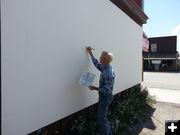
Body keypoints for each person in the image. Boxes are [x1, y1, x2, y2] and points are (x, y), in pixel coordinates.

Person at [86, 46, 115, 135]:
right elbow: (96, 64)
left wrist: (95, 88)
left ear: (105, 60)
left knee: (102, 118)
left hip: (106, 97)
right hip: (104, 96)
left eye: (101, 58)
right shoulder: (105, 67)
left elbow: (107, 89)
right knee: (102, 117)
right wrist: (90, 53)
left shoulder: (108, 72)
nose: (100, 59)